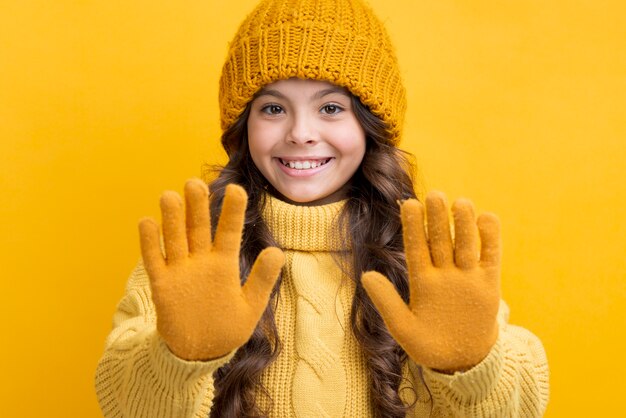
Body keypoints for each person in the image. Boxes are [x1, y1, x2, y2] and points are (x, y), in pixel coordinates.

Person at [95, 0, 549, 416]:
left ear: (371, 125)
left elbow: (522, 406)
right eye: (273, 109)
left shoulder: (425, 258)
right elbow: (122, 404)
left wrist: (472, 365)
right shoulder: (195, 256)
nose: (301, 133)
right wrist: (179, 358)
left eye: (331, 107)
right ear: (242, 125)